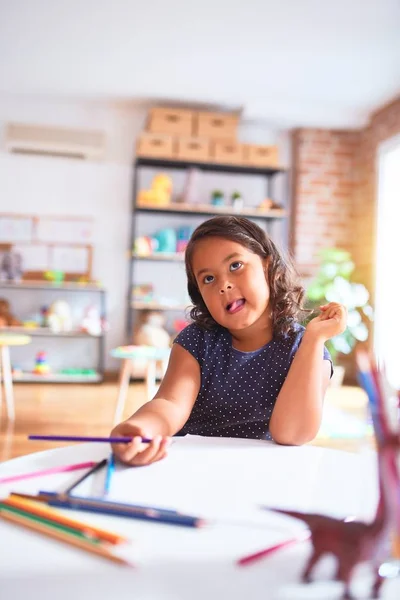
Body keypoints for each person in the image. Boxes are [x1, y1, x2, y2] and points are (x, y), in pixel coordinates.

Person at [111, 216, 347, 466]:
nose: (223, 285)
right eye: (208, 279)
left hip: (265, 473)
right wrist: (141, 428)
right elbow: (170, 403)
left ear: (268, 266)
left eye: (235, 265)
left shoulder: (308, 348)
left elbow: (291, 434)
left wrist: (313, 340)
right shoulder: (196, 341)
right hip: (191, 467)